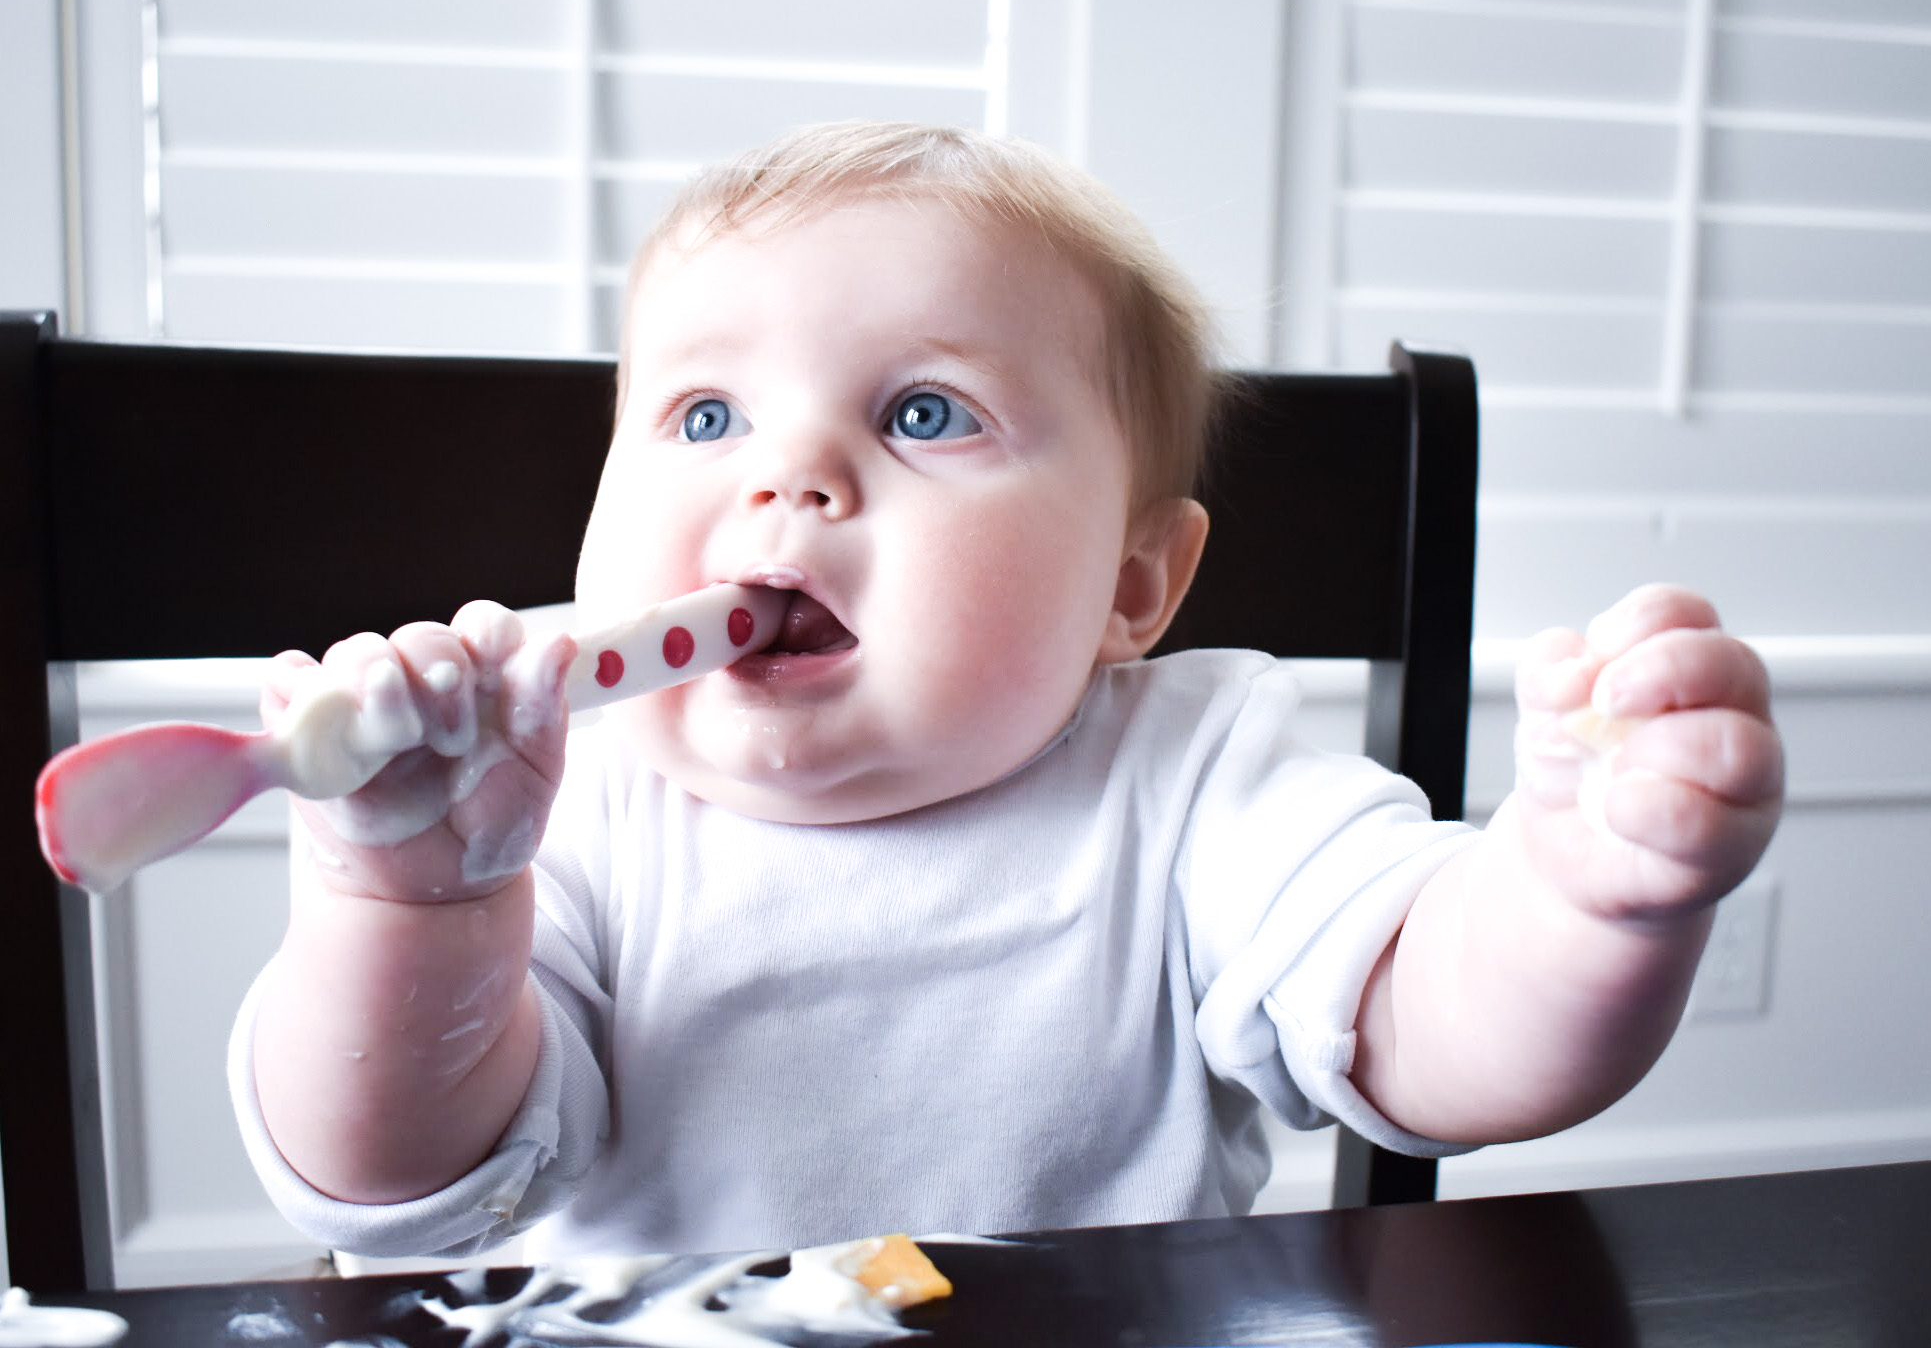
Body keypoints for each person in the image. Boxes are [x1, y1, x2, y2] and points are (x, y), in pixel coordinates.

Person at [230, 121, 1784, 1261]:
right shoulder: (562, 808)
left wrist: (1588, 898)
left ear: (1131, 589)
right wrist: (417, 910)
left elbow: (1429, 1039)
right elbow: (395, 1184)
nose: (789, 475)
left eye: (923, 412)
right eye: (704, 413)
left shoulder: (1199, 780)